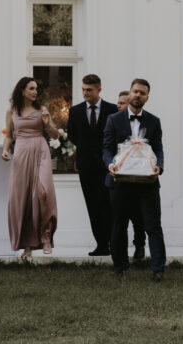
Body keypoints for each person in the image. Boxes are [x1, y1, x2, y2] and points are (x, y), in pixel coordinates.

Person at [103, 78, 166, 280]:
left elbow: (158, 148)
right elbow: (106, 148)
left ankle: (158, 269)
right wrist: (110, 165)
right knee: (118, 225)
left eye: (142, 93)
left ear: (147, 97)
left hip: (148, 181)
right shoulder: (113, 119)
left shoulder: (154, 121)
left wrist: (159, 166)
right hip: (119, 181)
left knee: (153, 225)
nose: (138, 95)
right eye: (135, 91)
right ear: (130, 93)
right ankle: (120, 267)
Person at [3, 77, 59, 257]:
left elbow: (55, 135)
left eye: (36, 89)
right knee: (25, 198)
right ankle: (28, 244)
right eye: (31, 88)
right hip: (21, 153)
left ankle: (45, 236)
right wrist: (5, 150)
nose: (35, 92)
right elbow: (9, 136)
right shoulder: (12, 111)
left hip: (41, 151)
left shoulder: (42, 110)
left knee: (42, 193)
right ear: (22, 90)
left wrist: (48, 123)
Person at [66, 74, 116, 256]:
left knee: (108, 203)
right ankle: (101, 244)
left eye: (89, 90)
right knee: (92, 204)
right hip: (86, 165)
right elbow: (72, 135)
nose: (85, 93)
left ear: (99, 90)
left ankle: (113, 242)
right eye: (83, 89)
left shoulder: (112, 109)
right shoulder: (75, 111)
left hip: (107, 164)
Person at [116, 90, 146, 257]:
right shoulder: (114, 121)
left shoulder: (141, 121)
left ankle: (139, 245)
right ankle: (120, 252)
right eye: (118, 102)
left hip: (138, 175)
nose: (118, 105)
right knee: (120, 217)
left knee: (137, 216)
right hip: (119, 177)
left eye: (122, 103)